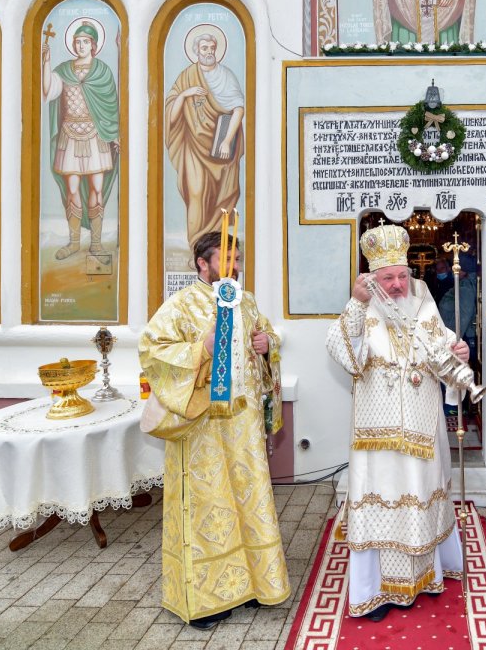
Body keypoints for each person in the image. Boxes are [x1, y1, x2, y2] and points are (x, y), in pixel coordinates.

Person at [326, 224, 484, 622]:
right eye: (387, 277)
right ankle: (375, 590)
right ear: (372, 277)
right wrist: (357, 304)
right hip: (375, 435)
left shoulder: (422, 298)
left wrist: (458, 349)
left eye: (401, 275)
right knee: (383, 498)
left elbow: (439, 344)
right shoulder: (361, 306)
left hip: (422, 423)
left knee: (421, 489)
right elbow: (343, 352)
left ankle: (424, 575)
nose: (396, 284)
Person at [139, 231, 289, 629]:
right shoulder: (181, 305)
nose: (235, 267)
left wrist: (266, 343)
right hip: (203, 427)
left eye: (237, 259)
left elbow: (269, 337)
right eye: (227, 259)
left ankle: (256, 583)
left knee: (248, 500)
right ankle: (209, 597)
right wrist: (199, 349)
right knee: (210, 507)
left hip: (243, 425)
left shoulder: (246, 300)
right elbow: (151, 350)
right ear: (202, 263)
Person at [42, 20, 120, 260]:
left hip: (96, 135)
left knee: (96, 188)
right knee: (72, 189)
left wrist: (114, 132)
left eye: (85, 42)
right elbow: (48, 90)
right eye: (77, 42)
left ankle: (96, 243)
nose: (81, 46)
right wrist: (45, 62)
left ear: (94, 45)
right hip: (70, 135)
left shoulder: (102, 71)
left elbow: (110, 105)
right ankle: (74, 242)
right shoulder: (64, 70)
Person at [164, 31, 247, 248]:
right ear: (195, 52)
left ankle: (216, 249)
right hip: (193, 146)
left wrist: (227, 140)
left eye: (212, 48)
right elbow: (171, 118)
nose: (209, 52)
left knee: (221, 198)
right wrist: (184, 94)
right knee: (196, 193)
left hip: (221, 148)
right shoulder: (186, 77)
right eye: (204, 49)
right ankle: (196, 248)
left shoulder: (226, 75)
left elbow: (238, 109)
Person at [437, 253, 477, 359]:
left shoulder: (465, 288)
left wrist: (453, 341)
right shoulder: (463, 284)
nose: (452, 270)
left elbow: (464, 316)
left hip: (463, 338)